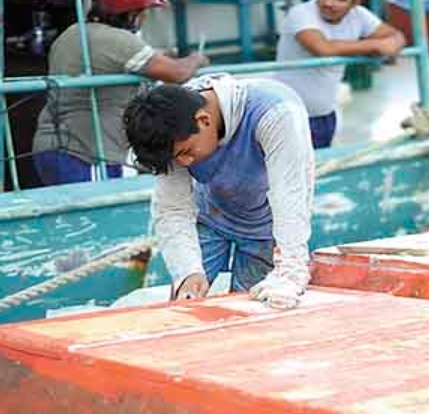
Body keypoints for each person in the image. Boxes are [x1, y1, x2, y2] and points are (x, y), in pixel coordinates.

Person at [123, 73, 315, 309]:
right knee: (183, 306)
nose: (184, 164)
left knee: (253, 314)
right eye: (176, 158)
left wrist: (291, 271)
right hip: (210, 217)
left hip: (265, 228)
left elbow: (290, 194)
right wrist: (187, 273)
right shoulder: (167, 128)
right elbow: (173, 208)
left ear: (204, 120)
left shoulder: (277, 114)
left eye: (187, 152)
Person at [31, 0, 209, 185]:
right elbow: (177, 73)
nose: (145, 18)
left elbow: (120, 59)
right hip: (86, 153)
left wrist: (158, 56)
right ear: (132, 12)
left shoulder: (73, 32)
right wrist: (196, 59)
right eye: (145, 11)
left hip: (51, 147)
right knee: (94, 218)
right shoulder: (118, 40)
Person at [272, 0, 406, 148]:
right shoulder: (301, 13)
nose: (328, 2)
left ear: (355, 3)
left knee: (318, 171)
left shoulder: (359, 16)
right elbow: (322, 48)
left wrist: (390, 46)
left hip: (324, 115)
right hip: (287, 116)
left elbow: (397, 37)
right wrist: (376, 46)